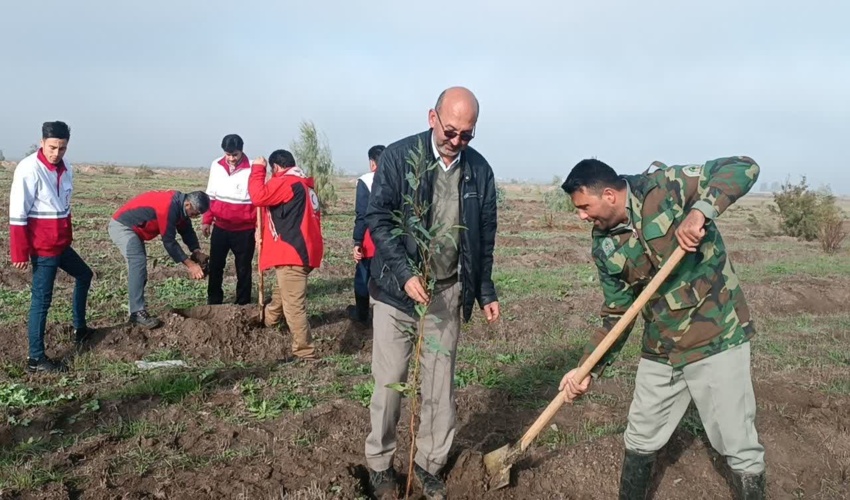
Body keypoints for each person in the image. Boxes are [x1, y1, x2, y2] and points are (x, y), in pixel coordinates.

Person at [557, 157, 766, 499]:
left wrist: (700, 212)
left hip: (716, 336)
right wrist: (587, 366)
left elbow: (744, 167)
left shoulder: (666, 186)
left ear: (609, 194)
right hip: (663, 347)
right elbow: (616, 314)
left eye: (584, 206)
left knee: (737, 442)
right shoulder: (605, 245)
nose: (581, 216)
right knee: (640, 435)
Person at [363, 87, 500, 500]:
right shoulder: (400, 157)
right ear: (432, 118)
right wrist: (404, 273)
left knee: (439, 388)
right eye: (451, 131)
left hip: (446, 293)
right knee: (390, 384)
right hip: (395, 293)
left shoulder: (479, 171)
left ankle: (428, 465)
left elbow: (484, 236)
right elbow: (378, 218)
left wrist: (485, 289)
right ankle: (381, 465)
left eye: (467, 135)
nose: (456, 141)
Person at [8, 121, 94, 373]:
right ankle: (36, 359)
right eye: (53, 147)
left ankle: (80, 329)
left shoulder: (67, 169)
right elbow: (17, 212)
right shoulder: (28, 168)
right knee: (42, 300)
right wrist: (19, 251)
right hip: (42, 246)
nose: (57, 153)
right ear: (42, 142)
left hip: (60, 243)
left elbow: (63, 205)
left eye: (62, 148)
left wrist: (67, 235)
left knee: (85, 274)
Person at [248, 150, 323, 362]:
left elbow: (258, 196)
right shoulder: (304, 184)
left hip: (292, 254)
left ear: (277, 167)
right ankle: (269, 322)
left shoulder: (287, 181)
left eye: (272, 171)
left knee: (294, 306)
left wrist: (257, 170)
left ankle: (305, 352)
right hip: (303, 251)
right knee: (282, 294)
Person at [108, 190, 210, 329]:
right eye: (195, 213)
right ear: (188, 204)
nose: (196, 216)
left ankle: (136, 310)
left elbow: (186, 230)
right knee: (137, 263)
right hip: (123, 226)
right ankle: (136, 313)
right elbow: (169, 241)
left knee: (139, 266)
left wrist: (196, 251)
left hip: (135, 229)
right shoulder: (168, 206)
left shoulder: (181, 207)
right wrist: (190, 264)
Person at [201, 134, 257, 306]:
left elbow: (259, 200)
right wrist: (207, 219)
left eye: (235, 155)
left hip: (245, 230)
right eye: (228, 155)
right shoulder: (216, 165)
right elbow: (210, 195)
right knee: (216, 266)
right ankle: (214, 300)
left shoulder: (254, 168)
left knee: (243, 268)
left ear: (242, 151)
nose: (231, 159)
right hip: (221, 227)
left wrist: (258, 227)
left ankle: (243, 303)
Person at [347, 144, 385, 325]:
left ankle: (362, 315)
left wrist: (357, 241)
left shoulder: (367, 180)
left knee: (363, 277)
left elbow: (362, 215)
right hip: (393, 241)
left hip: (371, 241)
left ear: (372, 162)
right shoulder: (400, 178)